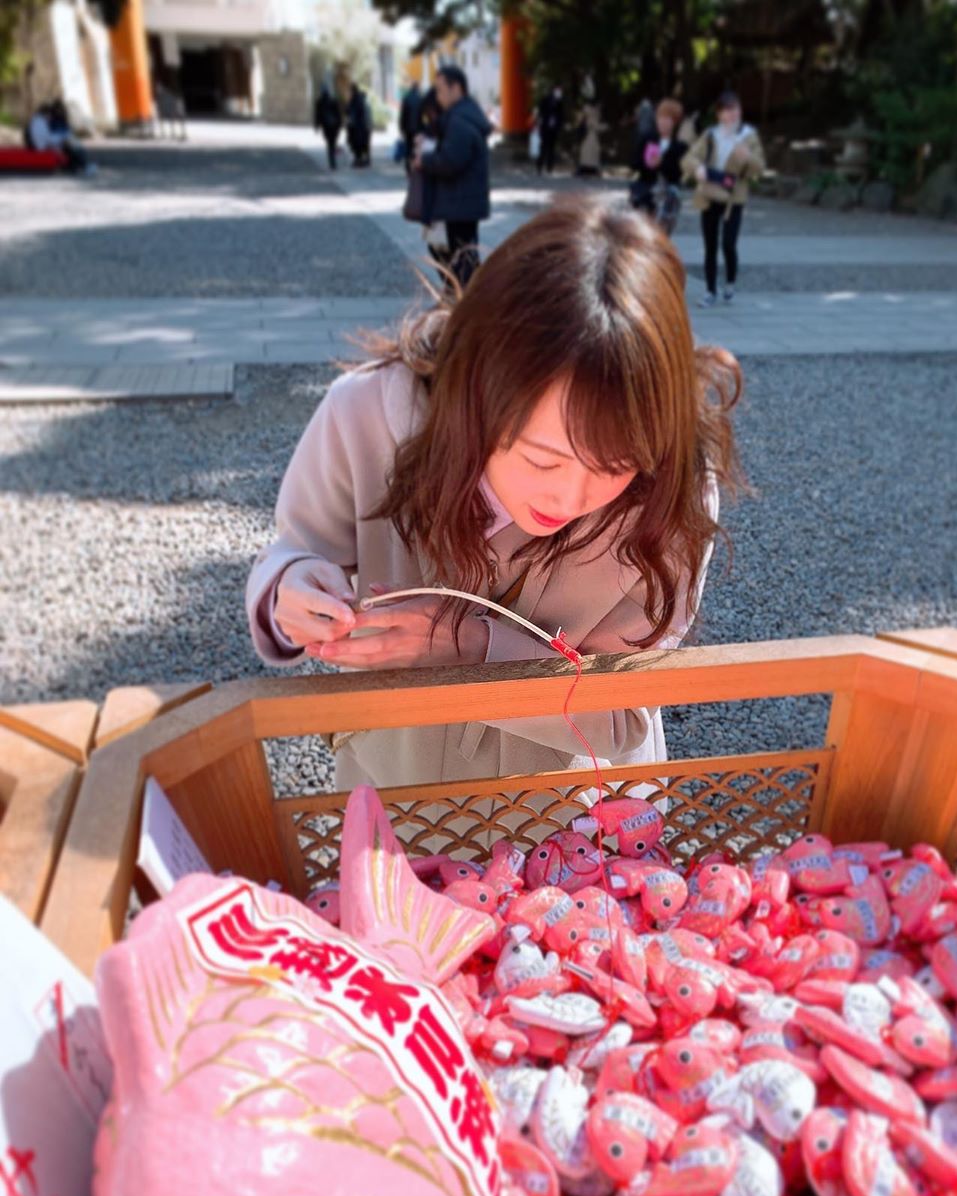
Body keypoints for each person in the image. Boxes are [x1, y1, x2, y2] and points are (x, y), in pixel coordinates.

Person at [246, 198, 744, 793]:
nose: (571, 495)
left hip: (582, 820)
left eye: (615, 465)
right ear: (475, 393)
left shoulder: (674, 485)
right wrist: (289, 591)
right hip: (401, 788)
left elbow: (624, 713)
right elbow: (299, 548)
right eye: (542, 458)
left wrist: (468, 646)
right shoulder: (369, 416)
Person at [681, 91, 765, 305]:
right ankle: (710, 290)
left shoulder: (748, 136)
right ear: (719, 114)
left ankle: (730, 281)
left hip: (733, 198)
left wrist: (748, 157)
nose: (732, 114)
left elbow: (760, 167)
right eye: (727, 110)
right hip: (709, 194)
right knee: (710, 244)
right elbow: (688, 158)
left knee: (728, 243)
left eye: (735, 109)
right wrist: (698, 168)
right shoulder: (710, 135)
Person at [414, 64, 491, 289]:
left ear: (455, 88)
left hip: (458, 204)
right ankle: (464, 304)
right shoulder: (462, 115)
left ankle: (467, 307)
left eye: (440, 90)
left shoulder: (460, 120)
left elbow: (451, 160)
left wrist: (424, 160)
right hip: (460, 203)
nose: (437, 96)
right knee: (460, 259)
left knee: (458, 261)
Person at [629, 97, 687, 236]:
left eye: (668, 119)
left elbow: (678, 174)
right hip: (646, 192)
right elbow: (633, 164)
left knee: (662, 235)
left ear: (675, 122)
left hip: (667, 197)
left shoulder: (680, 146)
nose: (663, 122)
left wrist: (662, 163)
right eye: (660, 117)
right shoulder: (647, 138)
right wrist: (647, 163)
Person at [25, 99, 93, 174]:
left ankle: (81, 166)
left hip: (43, 145)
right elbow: (46, 139)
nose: (50, 118)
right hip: (42, 147)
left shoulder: (38, 121)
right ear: (45, 114)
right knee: (70, 146)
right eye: (49, 115)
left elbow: (46, 137)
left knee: (72, 145)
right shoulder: (39, 123)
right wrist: (60, 138)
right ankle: (83, 166)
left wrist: (60, 138)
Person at [314, 79, 343, 171]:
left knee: (329, 144)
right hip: (334, 126)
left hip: (326, 126)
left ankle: (332, 161)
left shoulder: (319, 102)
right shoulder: (333, 100)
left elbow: (317, 115)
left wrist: (317, 126)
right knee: (333, 143)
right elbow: (338, 114)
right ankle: (333, 161)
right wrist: (339, 124)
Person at [536, 85, 564, 174]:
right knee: (543, 148)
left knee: (552, 149)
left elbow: (561, 115)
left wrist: (559, 125)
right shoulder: (545, 100)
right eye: (558, 91)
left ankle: (549, 168)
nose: (559, 93)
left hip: (554, 128)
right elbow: (540, 112)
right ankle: (539, 167)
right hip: (545, 127)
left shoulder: (560, 102)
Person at [345, 83, 371, 167]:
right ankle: (361, 160)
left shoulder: (354, 100)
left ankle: (359, 160)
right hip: (360, 126)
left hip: (356, 127)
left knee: (356, 144)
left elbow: (349, 111)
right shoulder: (360, 99)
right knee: (361, 144)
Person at [398, 80, 423, 168]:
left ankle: (408, 164)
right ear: (418, 88)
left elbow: (402, 115)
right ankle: (415, 163)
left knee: (408, 146)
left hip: (407, 128)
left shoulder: (406, 98)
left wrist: (401, 128)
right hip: (418, 128)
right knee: (416, 147)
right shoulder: (421, 99)